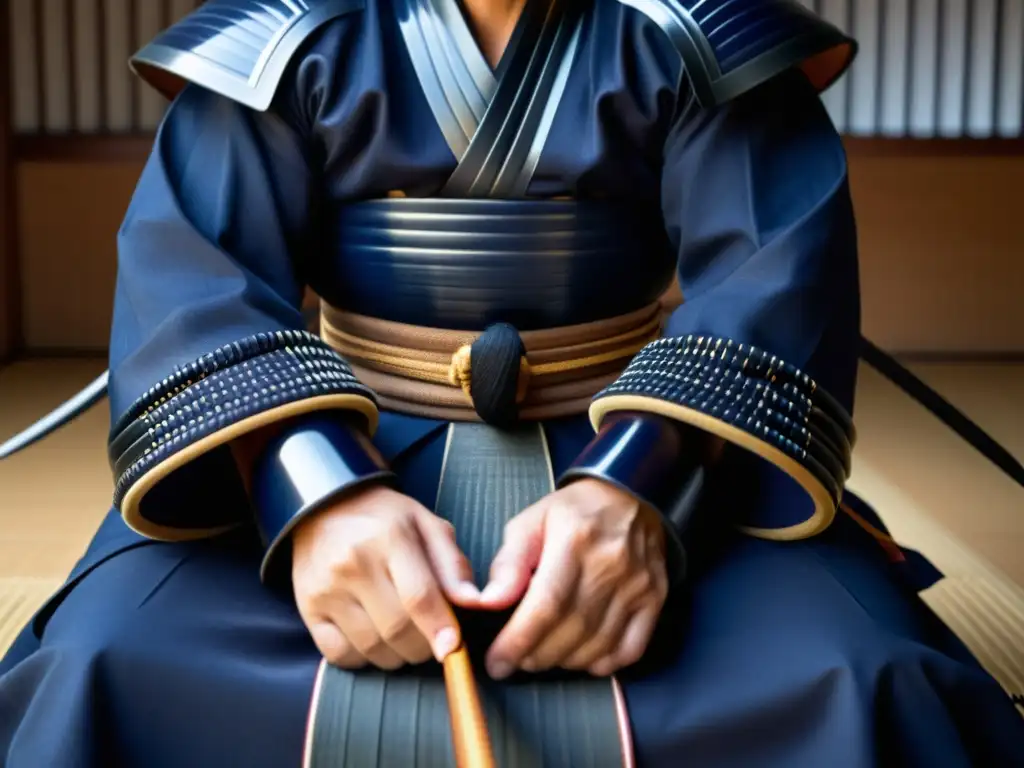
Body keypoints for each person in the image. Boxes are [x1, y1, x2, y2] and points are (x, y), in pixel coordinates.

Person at [2, 0, 1023, 765]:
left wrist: (639, 492)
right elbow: (196, 282)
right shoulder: (281, 30)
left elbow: (769, 275)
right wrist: (312, 495)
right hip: (330, 433)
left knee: (863, 677)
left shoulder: (695, 26)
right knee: (100, 663)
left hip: (642, 435)